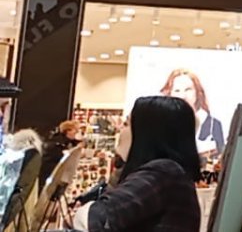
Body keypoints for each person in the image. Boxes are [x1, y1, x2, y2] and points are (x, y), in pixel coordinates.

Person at [87, 96, 201, 232]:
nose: (120, 131)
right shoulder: (172, 174)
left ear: (146, 133)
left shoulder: (162, 173)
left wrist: (82, 212)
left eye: (126, 124)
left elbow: (98, 216)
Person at [159, 69, 225, 157]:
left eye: (188, 89)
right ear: (169, 94)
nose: (183, 96)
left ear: (197, 92)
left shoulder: (213, 124)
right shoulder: (162, 126)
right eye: (177, 91)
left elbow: (222, 158)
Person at [38, 119, 81, 190]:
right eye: (74, 130)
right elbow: (61, 156)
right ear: (68, 131)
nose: (76, 132)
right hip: (49, 175)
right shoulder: (58, 144)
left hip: (53, 175)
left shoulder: (63, 141)